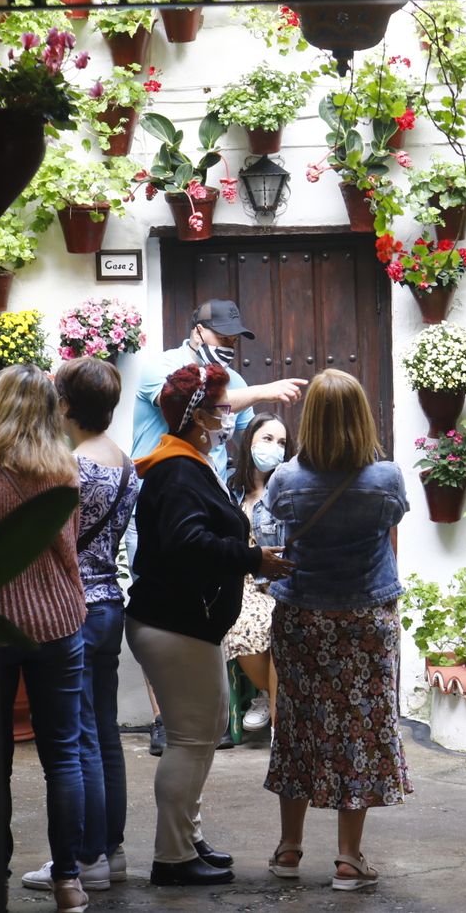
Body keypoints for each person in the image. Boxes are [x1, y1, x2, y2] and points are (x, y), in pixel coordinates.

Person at [124, 363, 296, 886]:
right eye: (223, 408)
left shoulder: (189, 462)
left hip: (187, 625)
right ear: (197, 417)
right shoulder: (178, 470)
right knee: (189, 739)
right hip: (175, 624)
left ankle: (188, 839)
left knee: (202, 735)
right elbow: (187, 543)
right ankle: (172, 857)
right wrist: (252, 559)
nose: (230, 416)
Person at [129, 298, 306, 756]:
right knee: (163, 601)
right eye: (220, 335)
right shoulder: (163, 369)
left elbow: (242, 439)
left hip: (210, 499)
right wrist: (263, 391)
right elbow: (191, 401)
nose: (228, 344)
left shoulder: (236, 384)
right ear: (196, 330)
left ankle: (211, 716)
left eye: (233, 338)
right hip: (165, 500)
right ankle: (166, 719)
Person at [262, 369, 411, 892]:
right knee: (361, 730)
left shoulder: (286, 480)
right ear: (361, 416)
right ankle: (348, 859)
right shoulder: (387, 478)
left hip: (302, 618)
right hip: (366, 619)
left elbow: (272, 523)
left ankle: (289, 848)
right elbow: (391, 524)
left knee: (298, 725)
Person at [21, 358, 138, 895]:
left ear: (65, 404)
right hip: (110, 599)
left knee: (82, 736)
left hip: (77, 607)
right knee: (106, 734)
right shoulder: (125, 463)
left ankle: (86, 856)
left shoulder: (72, 467)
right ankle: (111, 849)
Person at [0, 364, 90, 913]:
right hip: (58, 624)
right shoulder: (63, 470)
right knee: (64, 758)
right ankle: (68, 882)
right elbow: (67, 552)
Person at [224, 413, 292, 735]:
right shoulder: (228, 487)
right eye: (267, 439)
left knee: (279, 626)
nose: (274, 447)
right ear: (249, 440)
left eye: (281, 443)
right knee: (240, 622)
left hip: (276, 583)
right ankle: (270, 695)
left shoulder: (287, 490)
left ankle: (277, 717)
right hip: (240, 581)